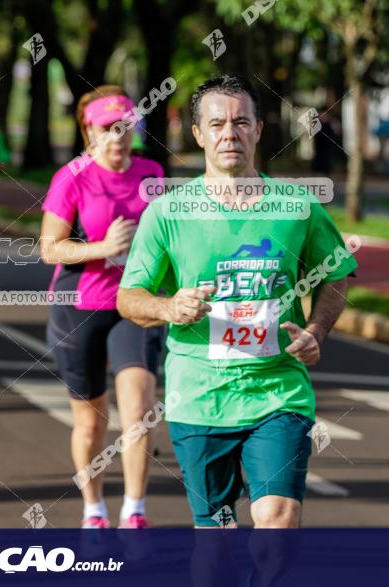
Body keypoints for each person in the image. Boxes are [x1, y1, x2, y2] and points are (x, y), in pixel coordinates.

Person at [117, 74, 357, 529]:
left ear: (259, 130)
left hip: (277, 391)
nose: (230, 133)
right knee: (217, 541)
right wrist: (168, 308)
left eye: (241, 122)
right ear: (198, 135)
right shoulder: (167, 212)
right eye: (217, 124)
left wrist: (317, 331)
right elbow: (129, 298)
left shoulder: (296, 207)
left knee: (279, 521)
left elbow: (338, 273)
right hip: (199, 397)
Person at [39, 86, 164, 529]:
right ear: (88, 132)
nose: (117, 137)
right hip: (81, 305)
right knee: (91, 425)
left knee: (139, 408)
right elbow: (50, 249)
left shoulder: (152, 173)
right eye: (107, 129)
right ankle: (94, 507)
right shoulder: (71, 177)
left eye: (125, 127)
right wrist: (102, 247)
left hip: (136, 304)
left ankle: (135, 509)